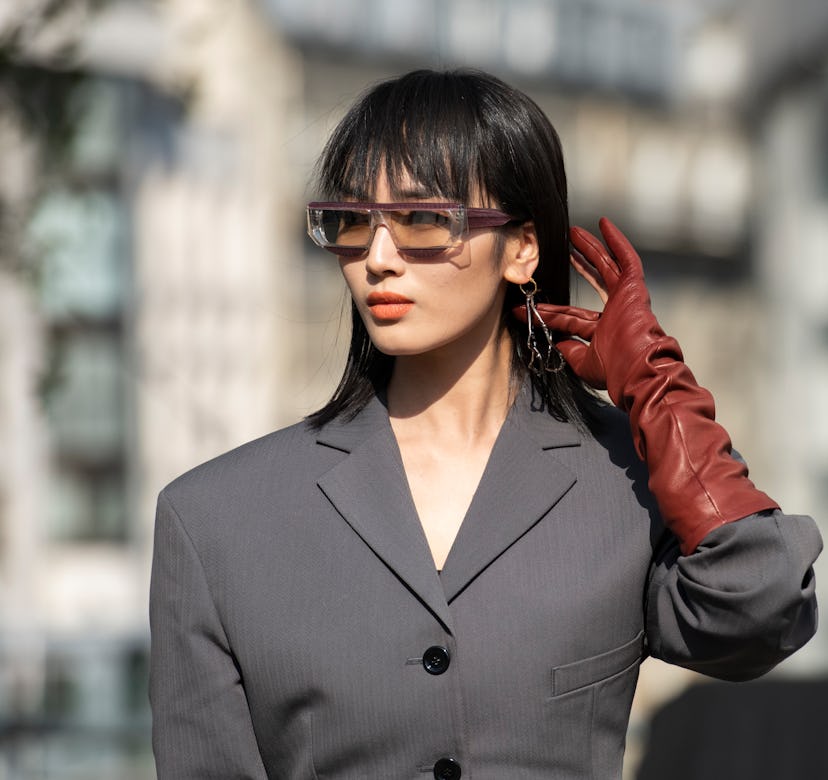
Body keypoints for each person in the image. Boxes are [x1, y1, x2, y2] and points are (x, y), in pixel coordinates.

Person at [149, 69, 821, 779]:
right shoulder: (215, 521)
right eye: (352, 222)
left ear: (523, 248)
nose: (377, 259)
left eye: (422, 221)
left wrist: (659, 388)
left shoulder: (622, 485)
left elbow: (764, 609)